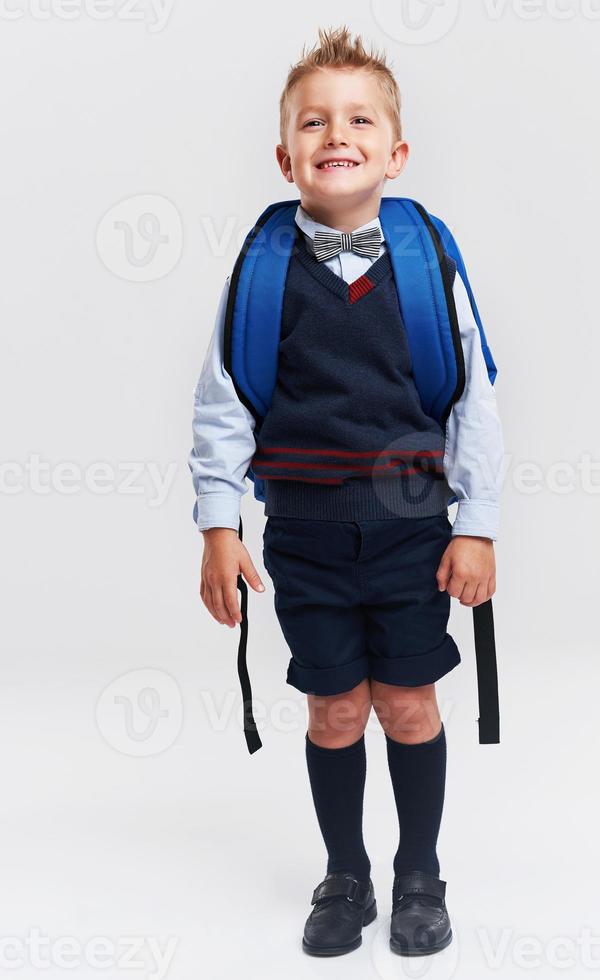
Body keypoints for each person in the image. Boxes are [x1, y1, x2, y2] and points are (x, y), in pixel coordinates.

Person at [188, 24, 504, 959]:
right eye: (315, 121)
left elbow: (474, 403)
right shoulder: (260, 269)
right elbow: (223, 403)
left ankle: (419, 874)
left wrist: (477, 525)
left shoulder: (426, 261)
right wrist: (218, 521)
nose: (338, 134)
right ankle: (346, 874)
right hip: (307, 540)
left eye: (360, 118)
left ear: (395, 151)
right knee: (335, 710)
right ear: (285, 154)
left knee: (409, 703)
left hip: (414, 535)